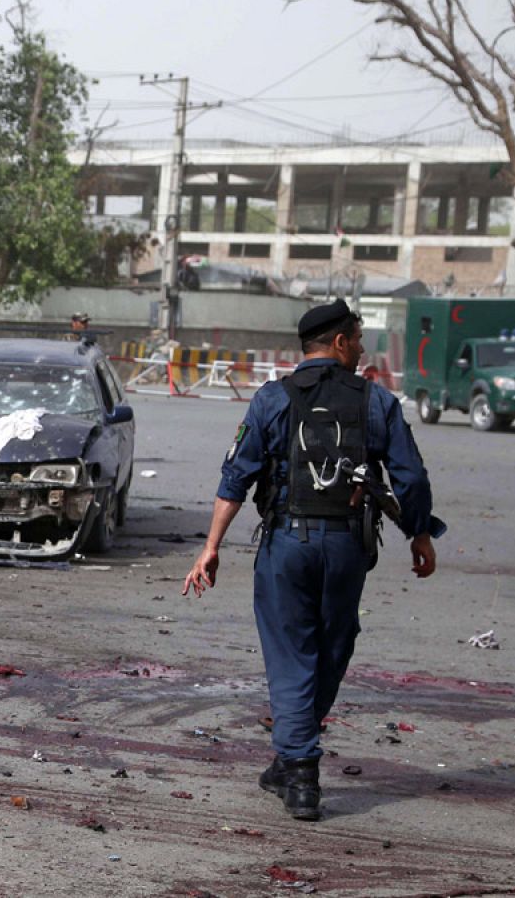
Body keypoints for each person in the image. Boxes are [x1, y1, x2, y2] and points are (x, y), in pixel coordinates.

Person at [182, 298, 444, 822]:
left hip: (286, 545)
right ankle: (292, 756)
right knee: (333, 646)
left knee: (291, 653)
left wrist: (211, 545)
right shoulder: (377, 402)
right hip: (347, 547)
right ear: (340, 343)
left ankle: (300, 771)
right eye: (359, 339)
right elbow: (410, 476)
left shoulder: (271, 399)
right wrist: (419, 533)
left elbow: (236, 477)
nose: (363, 349)